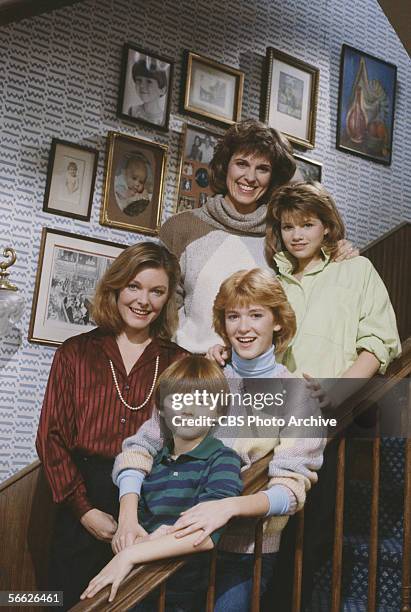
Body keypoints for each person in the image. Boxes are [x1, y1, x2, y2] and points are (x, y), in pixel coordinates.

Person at [111, 269, 324, 611]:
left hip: (246, 552)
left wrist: (226, 508)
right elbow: (142, 445)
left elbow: (291, 489)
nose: (243, 327)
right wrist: (127, 516)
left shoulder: (298, 395)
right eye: (233, 316)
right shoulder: (205, 376)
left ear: (278, 322)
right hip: (174, 540)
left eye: (256, 315)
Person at [36, 242, 187, 610]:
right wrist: (84, 510)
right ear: (116, 287)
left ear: (167, 299)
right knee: (64, 602)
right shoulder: (75, 352)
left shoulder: (179, 362)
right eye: (134, 286)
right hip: (81, 499)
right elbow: (51, 438)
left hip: (149, 507)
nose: (143, 300)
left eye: (157, 291)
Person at [159, 118, 355, 354]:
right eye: (241, 163)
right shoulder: (181, 227)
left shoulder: (283, 233)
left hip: (259, 375)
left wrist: (341, 250)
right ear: (225, 166)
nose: (250, 177)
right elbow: (163, 309)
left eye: (263, 168)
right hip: (191, 369)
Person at [80, 355, 243, 610]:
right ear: (162, 409)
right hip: (139, 585)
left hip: (184, 595)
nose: (188, 408)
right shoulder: (153, 463)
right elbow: (137, 530)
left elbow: (205, 534)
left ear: (218, 411)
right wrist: (129, 545)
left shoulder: (223, 460)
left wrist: (130, 554)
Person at [128, 57, 168, 126]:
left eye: (149, 81)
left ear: (162, 90)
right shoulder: (133, 111)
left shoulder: (163, 119)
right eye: (139, 80)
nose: (142, 86)